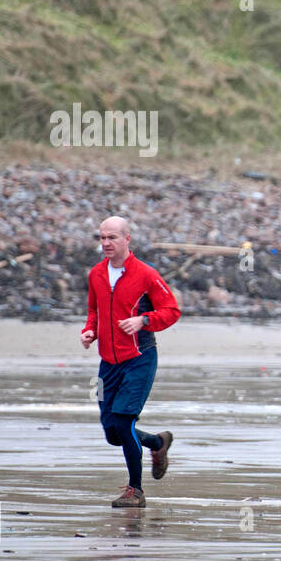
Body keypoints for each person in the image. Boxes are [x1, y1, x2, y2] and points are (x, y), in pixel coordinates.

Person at [81, 217, 181, 507]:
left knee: (124, 421)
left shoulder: (146, 275)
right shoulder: (97, 274)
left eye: (112, 237)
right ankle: (157, 442)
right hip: (107, 364)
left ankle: (135, 491)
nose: (106, 243)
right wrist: (90, 331)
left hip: (140, 359)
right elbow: (94, 310)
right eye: (102, 238)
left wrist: (143, 320)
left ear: (127, 239)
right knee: (112, 432)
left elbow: (172, 311)